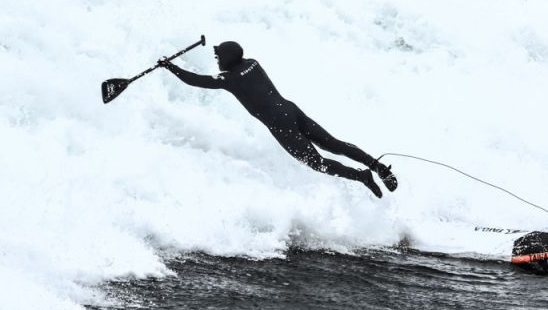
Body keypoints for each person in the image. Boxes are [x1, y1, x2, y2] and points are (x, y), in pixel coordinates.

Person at [159, 41, 398, 198]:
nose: (217, 59)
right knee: (334, 145)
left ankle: (362, 176)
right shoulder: (253, 63)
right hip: (291, 110)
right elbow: (226, 66)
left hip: (279, 122)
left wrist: (170, 67)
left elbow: (195, 80)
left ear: (228, 59)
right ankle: (377, 166)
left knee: (317, 163)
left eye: (219, 55)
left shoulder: (229, 79)